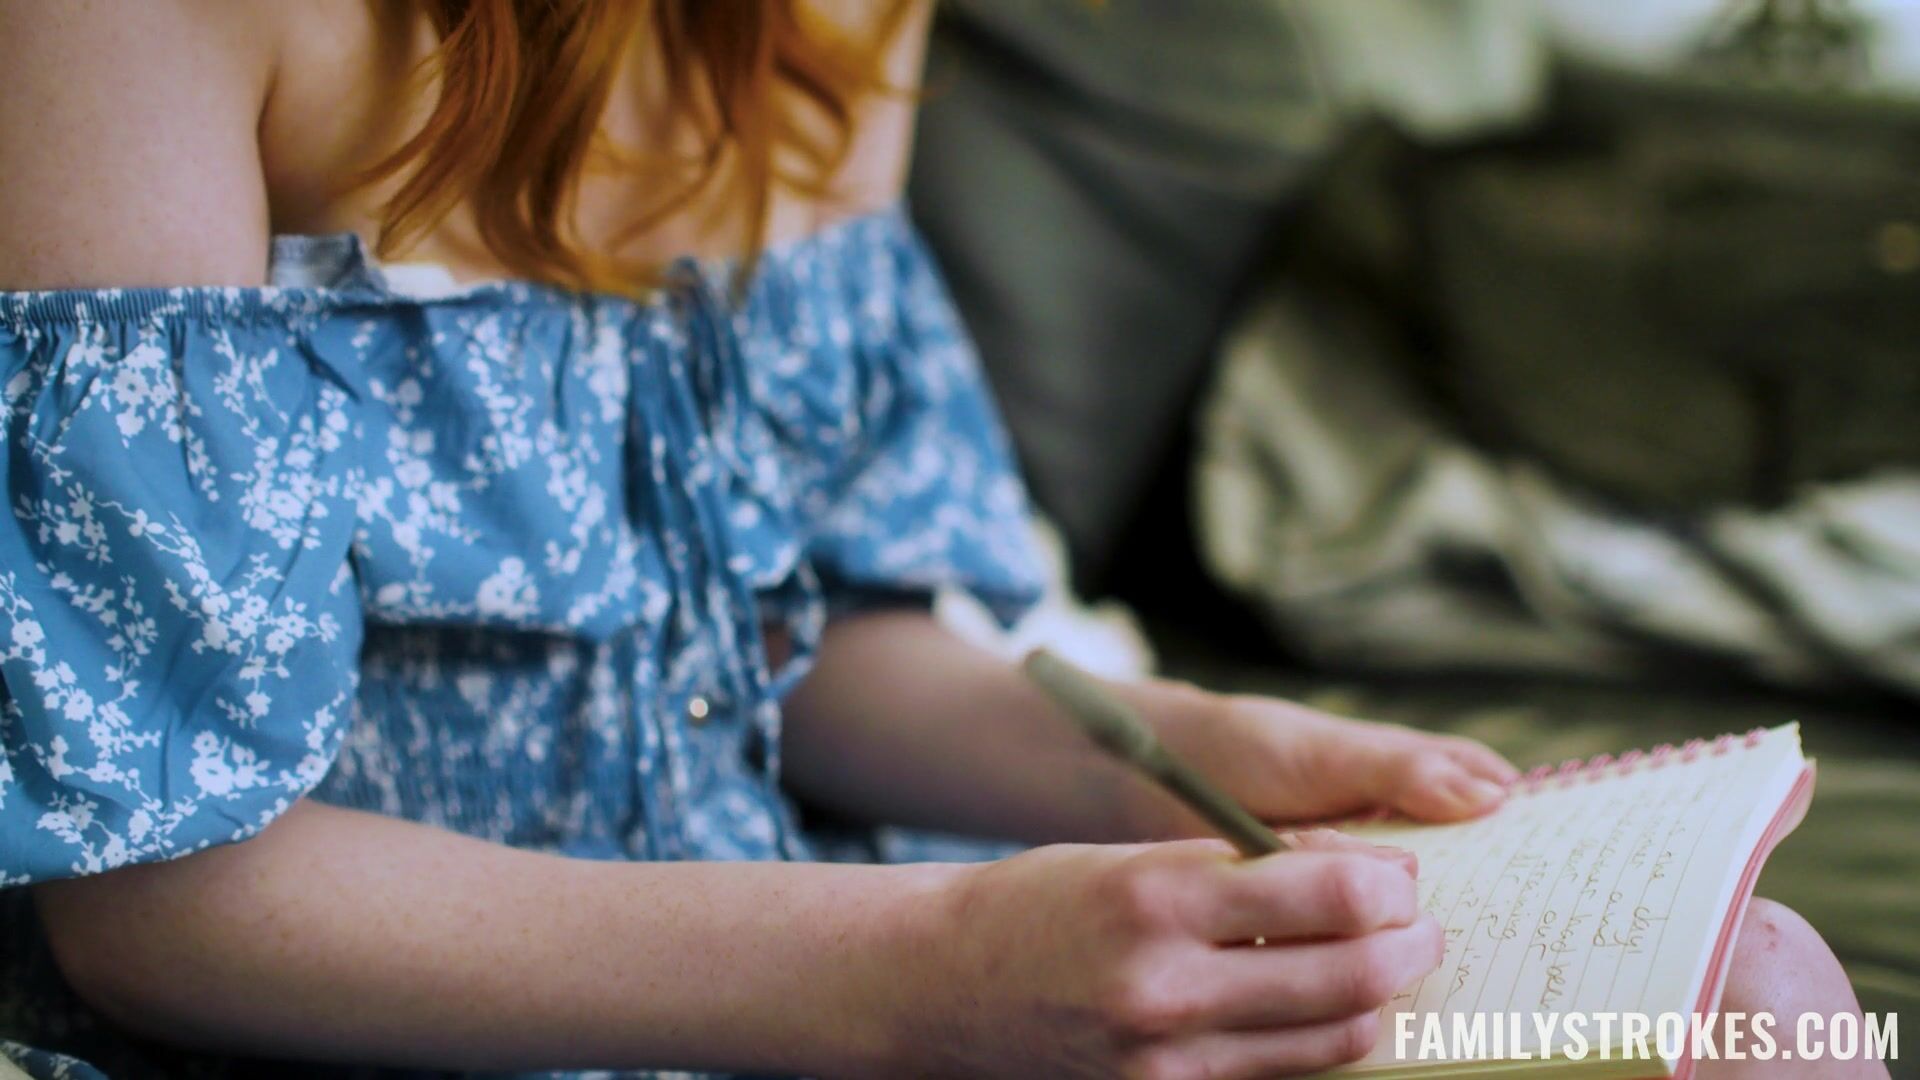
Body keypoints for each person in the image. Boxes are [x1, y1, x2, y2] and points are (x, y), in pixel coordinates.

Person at [0, 3, 1877, 1078]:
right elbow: (155, 904)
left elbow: (800, 633)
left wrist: (1169, 756)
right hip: (404, 1015)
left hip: (840, 940)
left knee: (1759, 1002)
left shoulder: (825, 22)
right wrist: (935, 967)